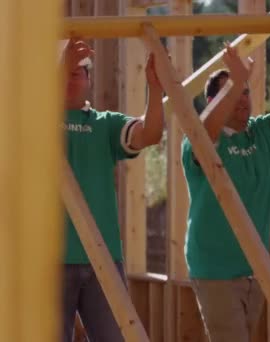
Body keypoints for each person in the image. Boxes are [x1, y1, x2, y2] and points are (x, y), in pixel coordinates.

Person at [181, 35, 270, 342]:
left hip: (254, 270)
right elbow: (204, 133)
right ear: (213, 102)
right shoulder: (200, 141)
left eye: (245, 91)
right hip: (214, 270)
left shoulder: (262, 133)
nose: (243, 98)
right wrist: (237, 79)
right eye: (232, 92)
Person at [60, 38, 165, 342]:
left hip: (102, 259)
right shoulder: (35, 118)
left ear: (90, 81)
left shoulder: (104, 124)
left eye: (77, 72)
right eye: (64, 71)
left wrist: (156, 89)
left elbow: (151, 133)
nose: (69, 77)